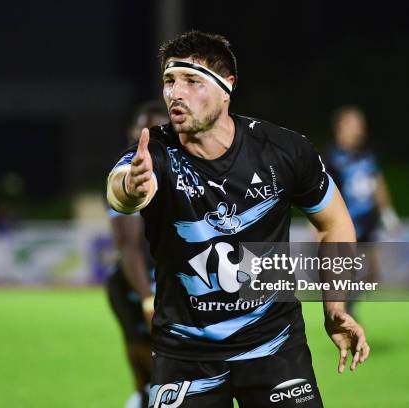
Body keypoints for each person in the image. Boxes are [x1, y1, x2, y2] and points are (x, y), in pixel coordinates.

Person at [106, 31, 370, 407]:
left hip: (275, 347)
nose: (174, 93)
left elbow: (336, 223)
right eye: (169, 80)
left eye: (191, 81)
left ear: (226, 85)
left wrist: (335, 307)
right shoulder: (153, 155)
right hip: (185, 356)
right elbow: (119, 190)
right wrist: (131, 187)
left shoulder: (284, 150)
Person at [106, 101, 168, 408]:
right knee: (144, 350)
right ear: (133, 133)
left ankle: (147, 394)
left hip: (168, 282)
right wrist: (146, 298)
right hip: (135, 284)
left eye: (158, 130)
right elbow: (129, 246)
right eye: (144, 130)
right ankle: (144, 394)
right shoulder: (129, 175)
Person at [326, 106, 399, 242]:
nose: (359, 129)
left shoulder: (367, 155)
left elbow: (377, 183)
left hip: (368, 224)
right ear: (340, 127)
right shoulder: (331, 159)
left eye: (361, 124)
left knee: (372, 261)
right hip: (345, 226)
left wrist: (387, 213)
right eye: (355, 124)